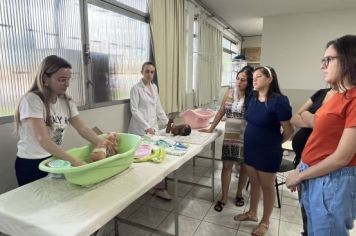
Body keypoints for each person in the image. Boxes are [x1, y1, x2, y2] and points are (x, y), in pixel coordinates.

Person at [286, 35, 356, 236]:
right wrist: (301, 167)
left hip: (333, 180)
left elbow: (342, 157)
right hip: (314, 174)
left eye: (328, 60)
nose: (322, 66)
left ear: (348, 59)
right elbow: (318, 140)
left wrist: (300, 174)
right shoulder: (337, 96)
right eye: (322, 60)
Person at [14, 55, 116, 186]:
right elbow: (43, 140)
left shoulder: (66, 102)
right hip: (31, 163)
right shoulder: (32, 100)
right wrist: (76, 162)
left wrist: (102, 143)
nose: (67, 84)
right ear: (45, 78)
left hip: (54, 158)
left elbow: (83, 129)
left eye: (68, 79)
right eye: (62, 80)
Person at [234, 66, 294, 236]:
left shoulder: (279, 101)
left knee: (267, 187)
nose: (254, 79)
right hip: (250, 149)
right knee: (254, 183)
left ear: (269, 79)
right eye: (254, 77)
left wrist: (276, 143)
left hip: (268, 152)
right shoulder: (252, 96)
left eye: (258, 77)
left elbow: (289, 131)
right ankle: (252, 213)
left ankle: (265, 222)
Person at [200, 66, 253, 212]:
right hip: (230, 136)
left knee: (244, 168)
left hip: (246, 138)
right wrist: (210, 128)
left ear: (249, 82)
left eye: (243, 80)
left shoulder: (252, 96)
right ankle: (224, 197)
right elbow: (220, 112)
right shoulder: (229, 92)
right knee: (226, 167)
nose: (239, 82)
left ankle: (239, 194)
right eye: (238, 78)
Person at [290, 87, 332, 236]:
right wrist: (312, 121)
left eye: (328, 62)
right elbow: (295, 118)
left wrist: (308, 116)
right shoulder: (322, 93)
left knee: (321, 212)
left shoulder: (345, 99)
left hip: (323, 163)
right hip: (305, 159)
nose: (323, 66)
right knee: (305, 206)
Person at [128, 61, 171, 200]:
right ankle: (151, 187)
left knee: (158, 157)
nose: (149, 74)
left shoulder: (154, 87)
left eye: (152, 72)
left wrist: (168, 122)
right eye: (147, 71)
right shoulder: (136, 89)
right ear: (142, 72)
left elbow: (158, 107)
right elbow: (134, 110)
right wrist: (147, 126)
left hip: (154, 128)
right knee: (145, 159)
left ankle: (159, 188)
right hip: (141, 129)